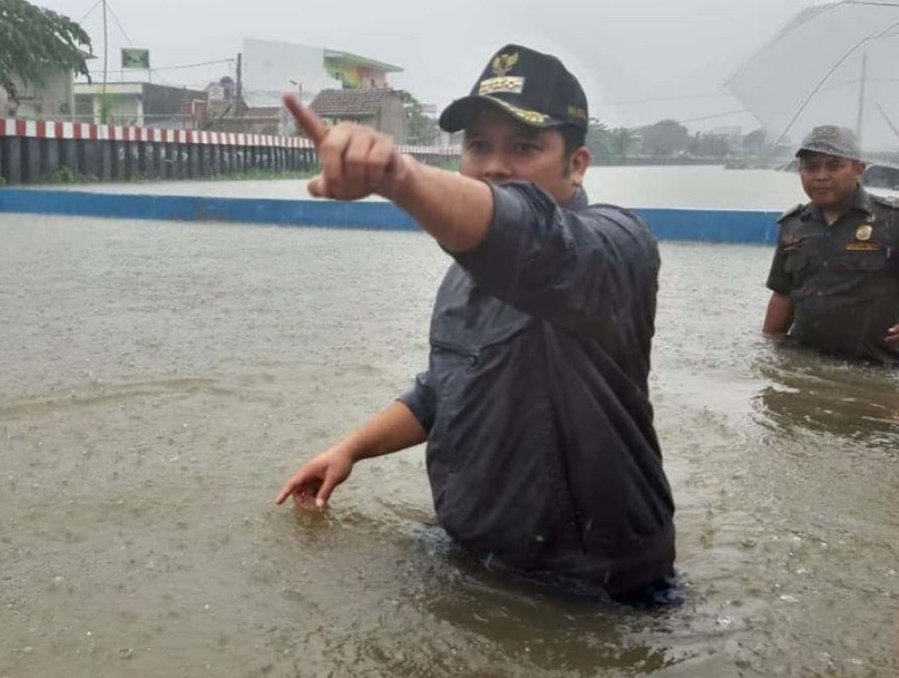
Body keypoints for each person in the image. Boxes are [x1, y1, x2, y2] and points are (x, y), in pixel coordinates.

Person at [274, 45, 676, 604]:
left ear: (577, 164)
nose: (493, 165)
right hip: (473, 555)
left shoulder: (616, 249)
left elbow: (534, 237)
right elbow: (442, 390)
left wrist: (399, 176)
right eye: (478, 145)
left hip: (591, 586)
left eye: (525, 146)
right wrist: (349, 450)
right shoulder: (465, 274)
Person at [763, 125, 899, 364]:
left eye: (833, 166)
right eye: (810, 167)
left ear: (859, 168)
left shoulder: (891, 220)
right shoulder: (793, 226)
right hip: (803, 367)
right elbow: (782, 295)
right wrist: (766, 352)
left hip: (876, 369)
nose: (821, 176)